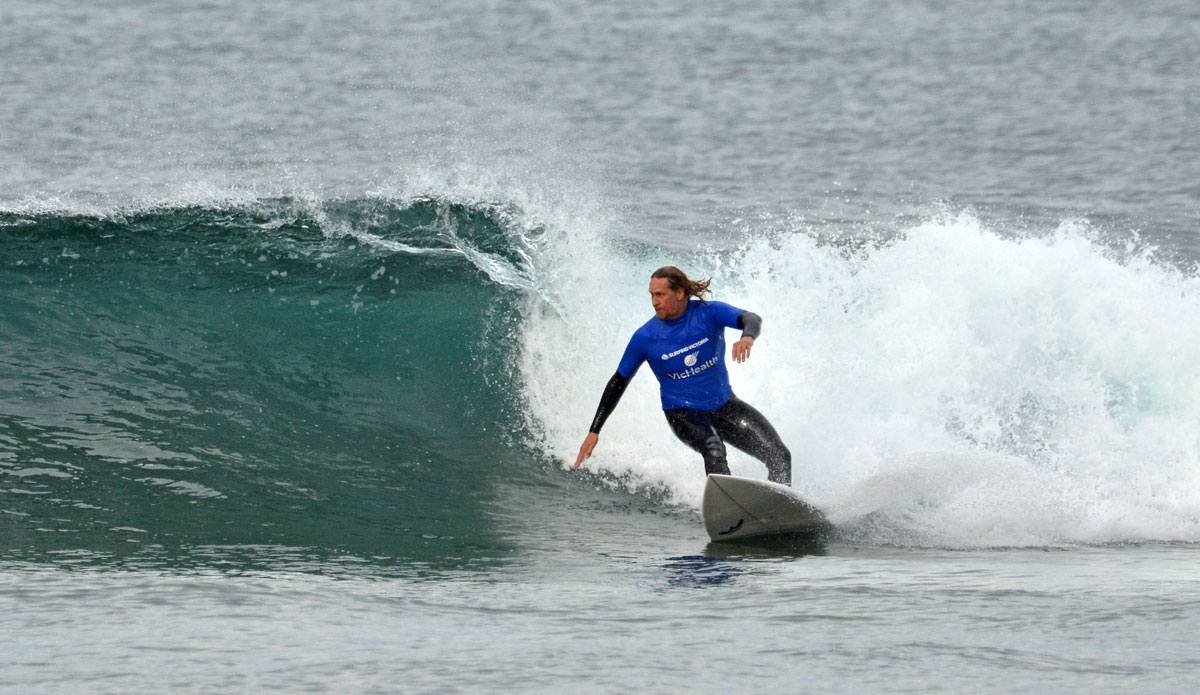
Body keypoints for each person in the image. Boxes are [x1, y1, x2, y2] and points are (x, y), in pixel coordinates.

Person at [573, 266, 792, 485]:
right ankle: (728, 507)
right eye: (652, 295)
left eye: (660, 294)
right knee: (713, 449)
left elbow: (751, 318)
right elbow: (619, 381)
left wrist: (747, 337)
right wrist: (595, 431)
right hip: (682, 413)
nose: (654, 301)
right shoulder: (645, 337)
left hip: (723, 405)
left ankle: (778, 506)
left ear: (679, 293)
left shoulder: (709, 313)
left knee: (780, 456)